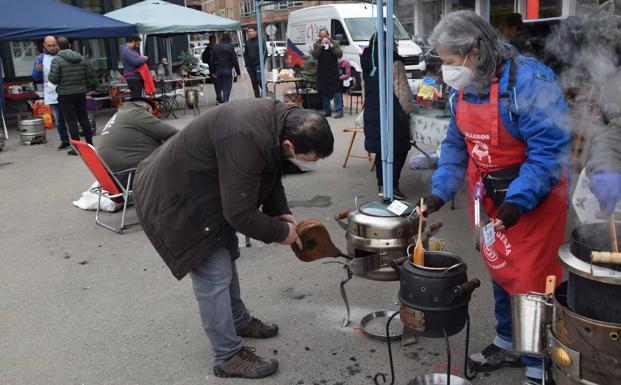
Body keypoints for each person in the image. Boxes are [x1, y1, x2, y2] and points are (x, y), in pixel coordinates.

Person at [417, 11, 570, 385]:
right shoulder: (464, 89)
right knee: (501, 267)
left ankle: (539, 358)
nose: (448, 71)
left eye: (451, 62)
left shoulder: (529, 83)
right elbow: (456, 145)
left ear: (474, 51)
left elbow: (548, 153)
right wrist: (439, 192)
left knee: (533, 280)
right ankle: (506, 340)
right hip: (489, 196)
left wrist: (518, 201)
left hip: (533, 197)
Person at [132, 99, 334, 379]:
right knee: (213, 274)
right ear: (289, 145)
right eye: (304, 158)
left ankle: (238, 320)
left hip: (206, 190)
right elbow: (239, 214)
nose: (300, 162)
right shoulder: (246, 138)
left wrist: (281, 212)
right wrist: (280, 233)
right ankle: (227, 356)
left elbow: (270, 171)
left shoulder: (276, 124)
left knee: (227, 253)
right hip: (174, 198)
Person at [361, 34, 415, 200]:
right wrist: (408, 111)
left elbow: (364, 88)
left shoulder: (367, 60)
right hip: (391, 110)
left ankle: (381, 185)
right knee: (399, 147)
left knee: (381, 148)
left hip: (371, 108)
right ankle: (392, 186)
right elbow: (402, 90)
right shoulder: (392, 60)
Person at [97, 97, 178, 187]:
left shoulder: (121, 114)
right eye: (151, 115)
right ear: (145, 107)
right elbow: (170, 133)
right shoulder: (136, 112)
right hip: (132, 176)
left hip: (112, 179)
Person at [48, 36, 93, 156]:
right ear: (69, 45)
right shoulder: (81, 58)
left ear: (57, 46)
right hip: (80, 92)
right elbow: (87, 75)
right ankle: (90, 144)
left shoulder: (57, 60)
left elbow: (53, 78)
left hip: (65, 94)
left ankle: (77, 149)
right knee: (83, 118)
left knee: (71, 120)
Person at [33, 36, 70, 150]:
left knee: (70, 117)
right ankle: (65, 140)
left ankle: (75, 139)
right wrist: (38, 72)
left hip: (65, 91)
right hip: (52, 93)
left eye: (54, 45)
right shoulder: (40, 58)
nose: (52, 48)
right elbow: (36, 77)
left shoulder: (63, 55)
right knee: (58, 119)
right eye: (49, 46)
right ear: (44, 45)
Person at [312, 28, 344, 119]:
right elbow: (314, 55)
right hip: (322, 71)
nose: (323, 38)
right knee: (324, 91)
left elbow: (339, 54)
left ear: (328, 35)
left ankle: (339, 110)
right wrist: (321, 45)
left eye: (325, 36)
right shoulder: (317, 44)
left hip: (333, 71)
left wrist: (331, 45)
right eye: (321, 37)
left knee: (336, 91)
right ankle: (327, 110)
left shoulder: (335, 43)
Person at [212, 33, 241, 103]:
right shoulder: (230, 47)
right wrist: (238, 73)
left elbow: (212, 60)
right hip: (228, 69)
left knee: (220, 87)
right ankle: (225, 104)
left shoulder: (215, 47)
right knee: (227, 89)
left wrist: (213, 72)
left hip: (218, 70)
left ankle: (220, 101)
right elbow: (234, 60)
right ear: (229, 38)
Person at [243, 26, 267, 98]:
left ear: (256, 31)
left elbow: (265, 52)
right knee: (254, 82)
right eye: (249, 32)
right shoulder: (247, 42)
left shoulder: (261, 40)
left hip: (258, 66)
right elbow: (245, 54)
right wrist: (247, 65)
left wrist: (261, 64)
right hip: (250, 67)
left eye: (251, 31)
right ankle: (257, 98)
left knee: (259, 79)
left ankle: (266, 92)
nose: (250, 33)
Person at [201, 35, 222, 104]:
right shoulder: (207, 49)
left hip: (220, 68)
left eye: (214, 40)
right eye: (212, 40)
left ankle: (221, 98)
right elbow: (204, 59)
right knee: (217, 84)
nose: (213, 41)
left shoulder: (218, 47)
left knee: (220, 84)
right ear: (210, 41)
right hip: (213, 69)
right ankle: (219, 98)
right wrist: (210, 62)